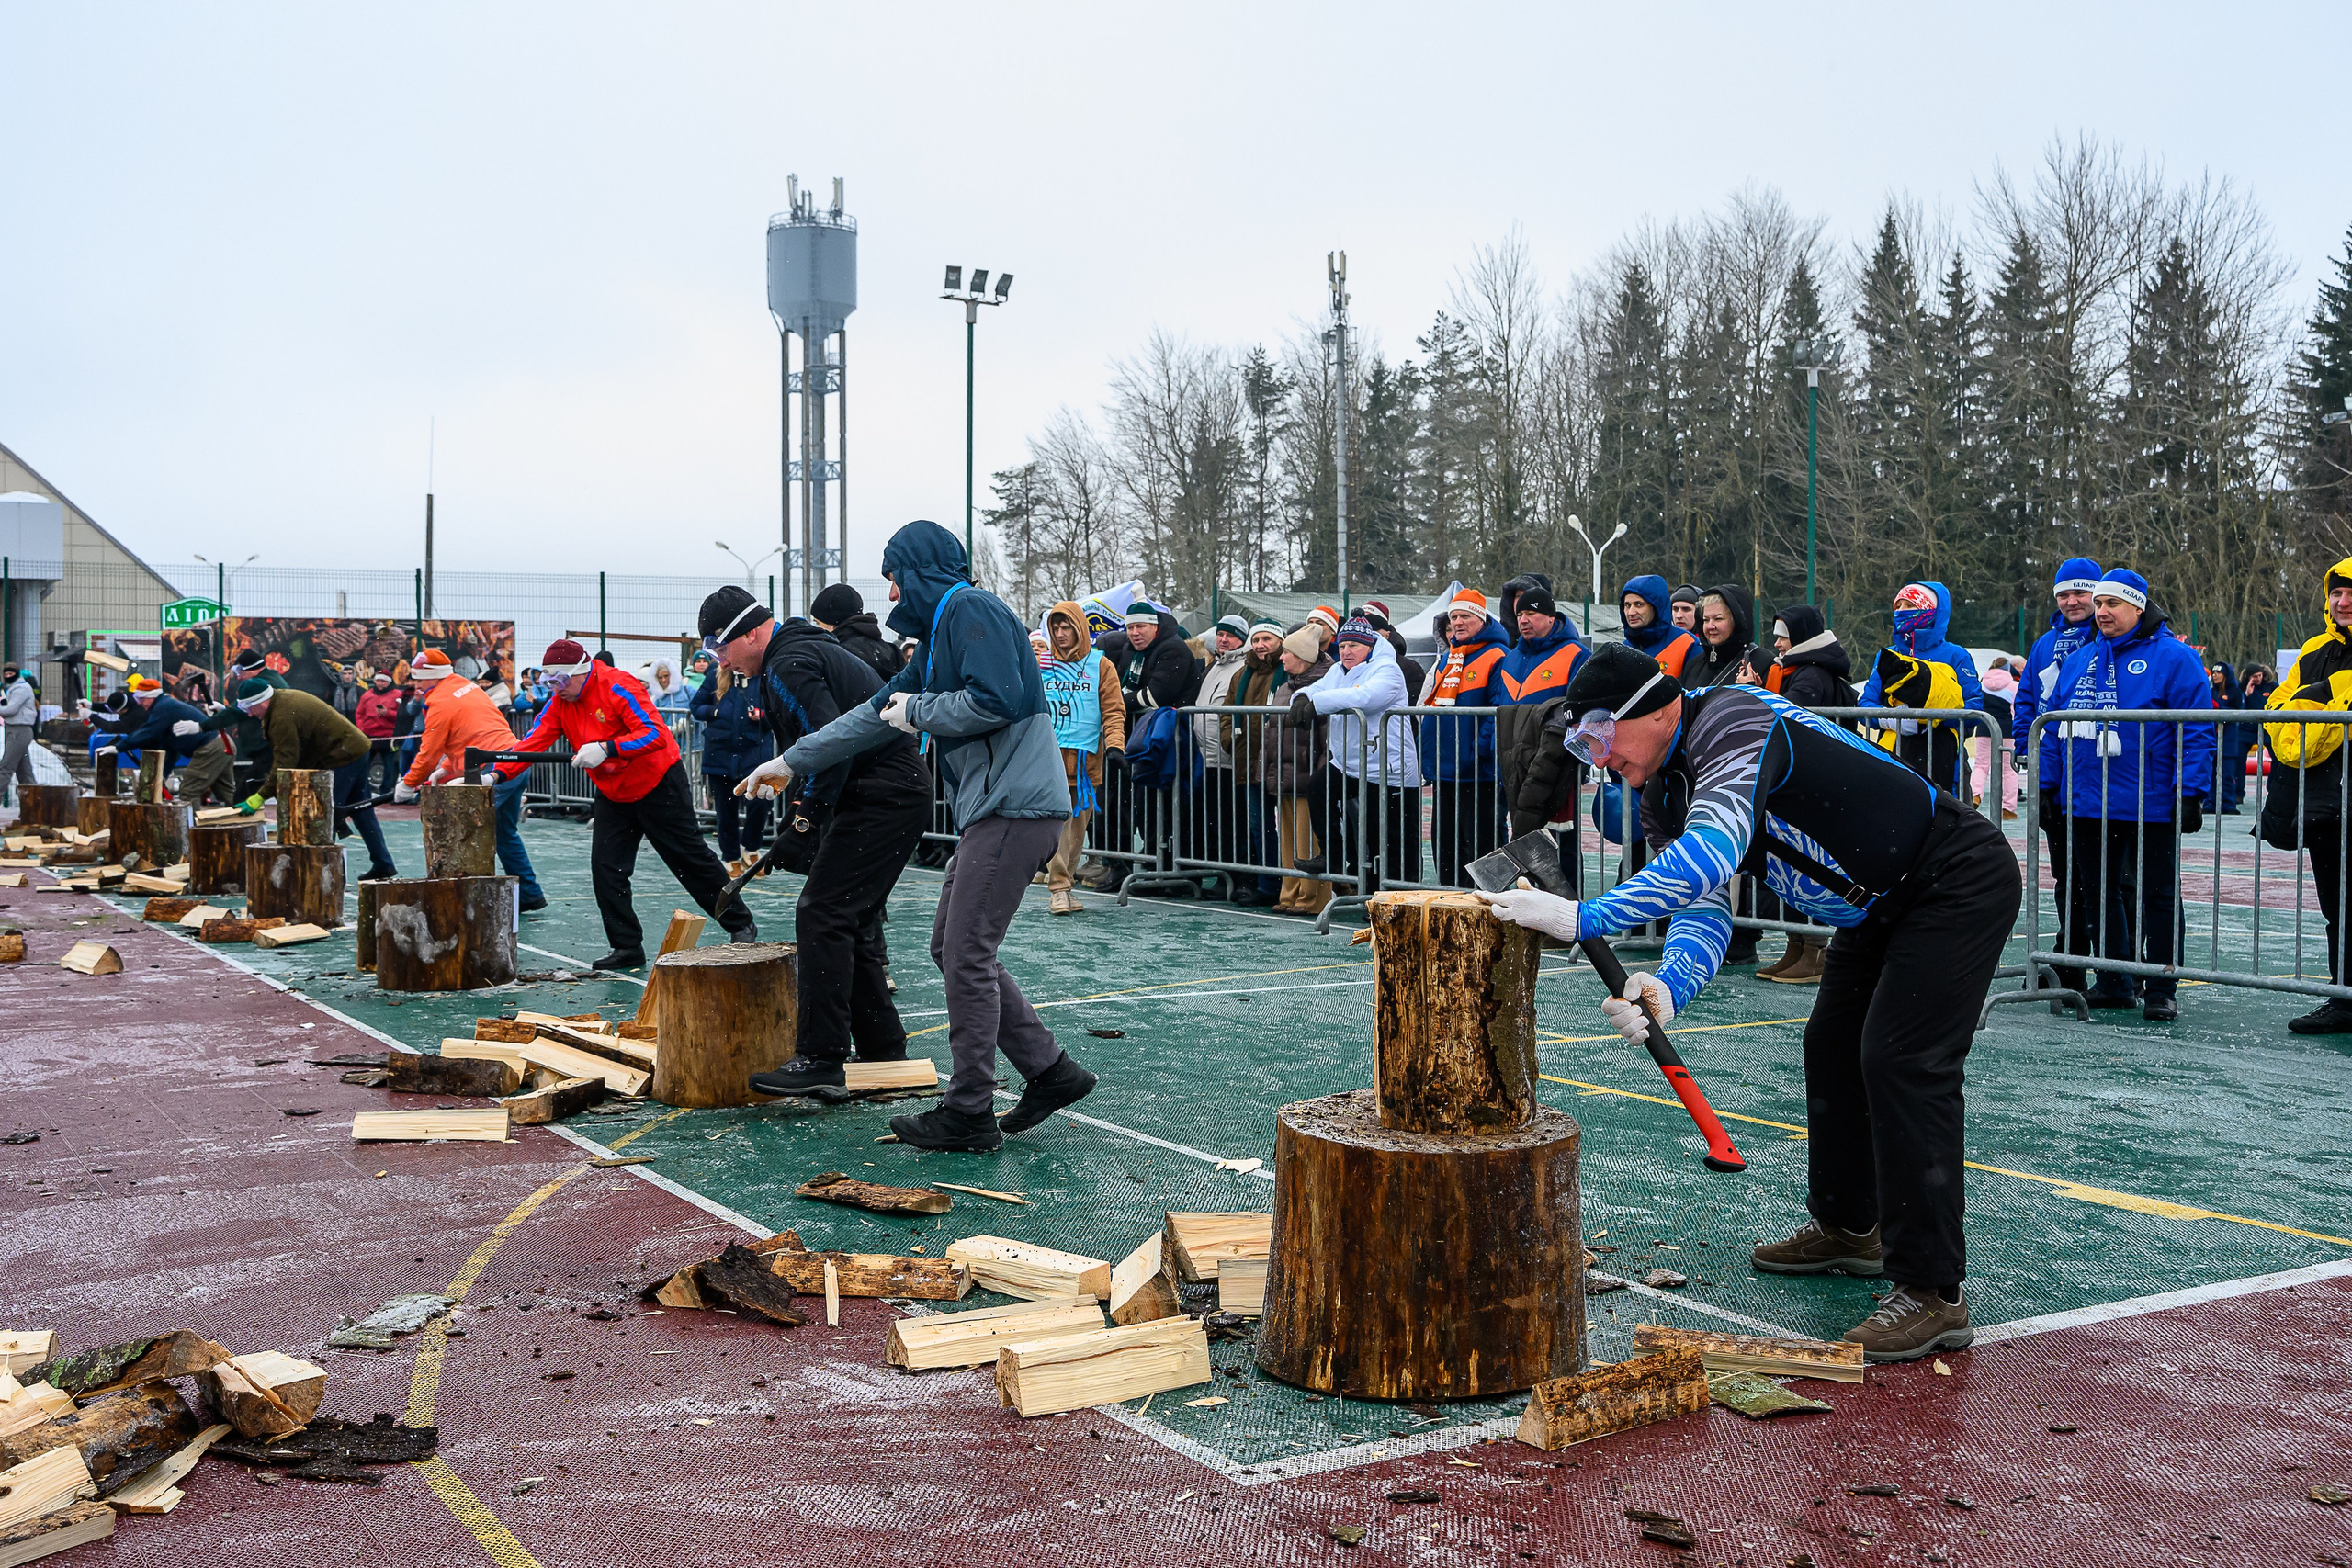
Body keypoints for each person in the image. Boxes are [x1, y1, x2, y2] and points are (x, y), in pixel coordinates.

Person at [1476, 641, 2019, 1362]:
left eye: (1603, 735)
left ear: (1660, 706)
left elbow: (1715, 846)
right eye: (1583, 745)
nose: (1599, 759)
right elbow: (1705, 903)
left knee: (1903, 1059)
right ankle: (1850, 1227)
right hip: (1874, 909)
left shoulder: (1734, 719)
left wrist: (1583, 918)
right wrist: (1669, 984)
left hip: (1953, 875)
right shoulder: (1662, 788)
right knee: (1830, 1047)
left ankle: (1932, 1290)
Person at [747, 521, 1089, 1151]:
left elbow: (999, 699)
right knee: (949, 946)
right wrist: (793, 761)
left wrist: (921, 710)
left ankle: (969, 1111)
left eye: (896, 577)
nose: (893, 592)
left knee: (966, 954)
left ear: (920, 570)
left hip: (1017, 808)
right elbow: (871, 716)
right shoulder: (937, 634)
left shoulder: (971, 610)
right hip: (995, 810)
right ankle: (1051, 1070)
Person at [702, 586, 933, 1098]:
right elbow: (822, 746)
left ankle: (821, 1057)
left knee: (823, 914)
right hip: (886, 790)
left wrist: (804, 823)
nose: (719, 658)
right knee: (848, 916)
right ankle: (882, 1053)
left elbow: (833, 742)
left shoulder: (789, 663)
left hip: (882, 792)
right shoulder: (795, 655)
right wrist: (801, 819)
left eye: (721, 646)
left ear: (753, 632)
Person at [492, 638, 752, 967]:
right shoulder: (562, 702)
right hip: (614, 790)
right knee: (606, 868)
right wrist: (497, 776)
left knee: (690, 860)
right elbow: (533, 740)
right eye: (550, 682)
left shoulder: (618, 686)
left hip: (658, 783)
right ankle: (627, 947)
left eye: (561, 681)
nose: (556, 689)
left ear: (581, 672)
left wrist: (608, 748)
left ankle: (740, 923)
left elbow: (655, 733)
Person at [2039, 569, 2214, 1021]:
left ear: (2138, 607)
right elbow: (2056, 729)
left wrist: (2191, 791)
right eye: (2098, 605)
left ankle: (2160, 986)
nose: (2101, 613)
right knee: (2099, 893)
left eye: (2111, 604)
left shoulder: (2174, 658)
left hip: (2150, 799)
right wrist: (2046, 786)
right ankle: (2114, 981)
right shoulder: (2080, 660)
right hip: (2088, 800)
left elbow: (2196, 730)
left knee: (2158, 894)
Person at [2260, 559, 2352, 1033]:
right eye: (2337, 592)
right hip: (2323, 800)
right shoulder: (2315, 648)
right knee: (2337, 904)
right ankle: (2345, 997)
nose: (2344, 601)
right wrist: (2327, 700)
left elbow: (2303, 701)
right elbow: (2278, 706)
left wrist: (2322, 694)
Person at [1744, 603, 1857, 985]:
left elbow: (1788, 719)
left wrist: (1752, 697)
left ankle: (1814, 949)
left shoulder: (1810, 675)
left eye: (1783, 636)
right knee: (1796, 864)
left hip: (1811, 784)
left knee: (1808, 865)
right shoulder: (1801, 670)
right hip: (1806, 784)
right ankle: (1798, 946)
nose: (1776, 643)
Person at [391, 649, 546, 912]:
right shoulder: (465, 686)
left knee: (463, 828)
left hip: (491, 769)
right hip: (512, 759)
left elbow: (429, 751)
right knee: (505, 834)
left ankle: (464, 898)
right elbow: (470, 734)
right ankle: (530, 894)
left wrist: (408, 783)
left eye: (419, 678)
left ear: (433, 676)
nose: (416, 684)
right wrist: (449, 767)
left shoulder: (439, 701)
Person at [2012, 558, 2105, 985]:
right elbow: (2027, 700)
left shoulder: (2109, 636)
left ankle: (2115, 962)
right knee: (2065, 873)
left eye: (2080, 593)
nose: (2072, 602)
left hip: (2099, 774)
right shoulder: (2044, 645)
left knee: (2107, 876)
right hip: (2054, 772)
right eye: (2063, 595)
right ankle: (2070, 955)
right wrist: (2024, 747)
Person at [213, 678, 400, 877]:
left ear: (262, 702)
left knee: (324, 815)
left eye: (251, 708)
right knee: (361, 812)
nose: (250, 714)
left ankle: (321, 875)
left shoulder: (281, 716)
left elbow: (285, 762)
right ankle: (383, 863)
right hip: (353, 749)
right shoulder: (280, 701)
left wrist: (260, 796)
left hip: (343, 754)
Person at [1294, 616, 1418, 889]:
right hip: (1349, 763)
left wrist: (1317, 703)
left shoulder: (1387, 669)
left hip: (1385, 767)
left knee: (1381, 836)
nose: (1346, 651)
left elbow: (1366, 697)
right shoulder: (1339, 669)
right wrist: (1302, 697)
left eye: (1354, 645)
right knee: (1318, 788)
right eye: (1342, 645)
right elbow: (1317, 689)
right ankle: (1332, 856)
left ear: (1369, 645)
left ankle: (1384, 894)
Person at [1039, 599, 1127, 915]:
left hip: (1087, 763)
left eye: (1067, 627)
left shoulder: (1101, 666)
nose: (1061, 633)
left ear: (1080, 629)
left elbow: (1114, 711)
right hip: (1047, 763)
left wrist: (1115, 745)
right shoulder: (1042, 665)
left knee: (1077, 831)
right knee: (1056, 827)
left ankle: (1065, 882)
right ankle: (1059, 887)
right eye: (1056, 627)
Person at [1420, 589, 1510, 887]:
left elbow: (1498, 709)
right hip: (1447, 770)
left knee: (1483, 844)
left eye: (1465, 616)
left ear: (1481, 619)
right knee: (1447, 844)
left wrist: (1477, 753)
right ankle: (1451, 903)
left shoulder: (1496, 655)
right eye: (1454, 616)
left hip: (1477, 772)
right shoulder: (1450, 656)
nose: (1457, 622)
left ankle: (1489, 908)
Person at [1860, 581, 1984, 795]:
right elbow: (1865, 705)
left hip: (1945, 758)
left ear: (1930, 611)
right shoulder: (1887, 655)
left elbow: (1975, 708)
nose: (1900, 612)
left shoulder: (1956, 655)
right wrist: (1893, 719)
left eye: (1909, 605)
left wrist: (1931, 719)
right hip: (1893, 755)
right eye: (1897, 606)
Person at [1261, 626, 1333, 914]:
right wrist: (1265, 771)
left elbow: (1328, 738)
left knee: (1309, 841)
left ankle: (1312, 898)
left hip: (1306, 775)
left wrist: (1317, 775)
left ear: (1302, 658)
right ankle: (1289, 894)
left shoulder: (1323, 686)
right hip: (1285, 773)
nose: (1282, 657)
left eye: (1287, 652)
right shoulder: (1284, 687)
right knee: (1288, 840)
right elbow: (1271, 733)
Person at [1220, 620, 1287, 906]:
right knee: (1259, 825)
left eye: (1267, 639)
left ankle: (1292, 883)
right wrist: (1229, 740)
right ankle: (1267, 882)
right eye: (1256, 639)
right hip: (1249, 761)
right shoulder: (1241, 674)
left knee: (1287, 826)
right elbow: (1227, 710)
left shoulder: (1288, 670)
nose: (1260, 645)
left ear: (1279, 642)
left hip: (1282, 763)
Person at [94, 675, 238, 807]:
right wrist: (164, 773)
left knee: (188, 791)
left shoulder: (163, 708)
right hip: (223, 744)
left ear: (150, 697)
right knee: (225, 791)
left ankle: (190, 827)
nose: (140, 704)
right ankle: (240, 820)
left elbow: (146, 732)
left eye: (141, 699)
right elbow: (171, 747)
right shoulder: (166, 707)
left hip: (211, 747)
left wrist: (118, 748)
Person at [687, 660, 773, 872]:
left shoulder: (764, 677)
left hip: (755, 752)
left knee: (760, 804)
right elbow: (696, 707)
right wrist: (715, 712)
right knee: (726, 810)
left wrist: (762, 716)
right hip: (720, 752)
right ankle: (731, 857)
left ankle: (751, 848)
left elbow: (779, 713)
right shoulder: (714, 676)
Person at [1193, 615, 1252, 893]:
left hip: (1229, 759)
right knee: (1217, 821)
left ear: (1243, 639)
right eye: (1221, 634)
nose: (1224, 640)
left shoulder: (1242, 666)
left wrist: (1229, 744)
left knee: (1234, 822)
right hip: (1210, 757)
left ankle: (1236, 876)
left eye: (1230, 635)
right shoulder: (1216, 665)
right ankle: (1222, 873)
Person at [1619, 575, 1703, 686]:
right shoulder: (1622, 649)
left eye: (1639, 604)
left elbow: (1696, 697)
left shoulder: (1688, 645)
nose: (1631, 612)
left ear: (1656, 606)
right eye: (1627, 605)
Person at [810, 584, 903, 685]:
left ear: (831, 620)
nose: (817, 628)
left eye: (818, 623)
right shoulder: (892, 651)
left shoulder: (837, 654)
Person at [1690, 585, 1757, 691]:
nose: (1710, 626)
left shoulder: (1762, 663)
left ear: (1737, 621)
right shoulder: (1693, 666)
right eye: (1706, 620)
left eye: (1718, 619)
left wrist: (1749, 692)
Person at [1975, 660, 2018, 819]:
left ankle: (1975, 795)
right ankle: (2007, 808)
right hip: (2007, 730)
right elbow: (2016, 710)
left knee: (1981, 765)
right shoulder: (2013, 686)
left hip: (1984, 727)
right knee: (2008, 769)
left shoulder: (1981, 684)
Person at [356, 671, 402, 796]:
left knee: (390, 765)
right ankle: (364, 791)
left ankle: (386, 790)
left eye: (384, 681)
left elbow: (402, 715)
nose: (381, 684)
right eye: (379, 681)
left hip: (389, 736)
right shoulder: (367, 695)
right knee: (364, 765)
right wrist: (361, 729)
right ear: (375, 681)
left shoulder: (397, 695)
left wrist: (387, 713)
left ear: (389, 682)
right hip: (370, 735)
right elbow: (359, 713)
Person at [0, 663, 35, 812]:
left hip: (19, 731)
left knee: (5, 767)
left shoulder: (22, 688)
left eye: (10, 674)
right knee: (25, 774)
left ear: (17, 673)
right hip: (14, 730)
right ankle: (34, 808)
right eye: (6, 674)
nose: (8, 677)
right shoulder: (12, 688)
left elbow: (10, 710)